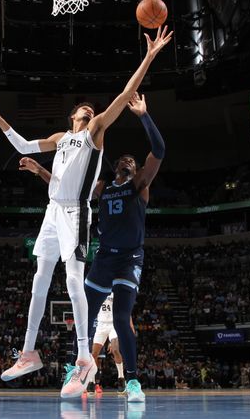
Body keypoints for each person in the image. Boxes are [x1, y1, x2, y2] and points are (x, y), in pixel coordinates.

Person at [0, 26, 172, 398]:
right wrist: (1, 121)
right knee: (39, 278)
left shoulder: (94, 132)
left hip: (76, 214)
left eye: (92, 108)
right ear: (71, 115)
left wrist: (148, 56)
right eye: (84, 108)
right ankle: (29, 352)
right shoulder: (59, 138)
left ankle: (85, 358)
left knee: (71, 281)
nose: (90, 109)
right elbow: (22, 144)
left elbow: (124, 94)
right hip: (52, 211)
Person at [19, 92, 164, 402]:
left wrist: (143, 116)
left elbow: (160, 149)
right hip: (104, 259)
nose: (125, 160)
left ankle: (133, 382)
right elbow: (67, 190)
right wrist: (40, 171)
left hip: (129, 259)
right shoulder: (104, 188)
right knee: (85, 313)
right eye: (121, 159)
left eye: (130, 160)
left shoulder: (140, 185)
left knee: (123, 317)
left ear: (135, 168)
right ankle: (77, 368)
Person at [89, 293, 126, 395]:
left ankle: (121, 378)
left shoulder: (115, 293)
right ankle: (91, 381)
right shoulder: (96, 292)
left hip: (113, 325)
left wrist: (110, 341)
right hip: (101, 326)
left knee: (115, 350)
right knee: (93, 354)